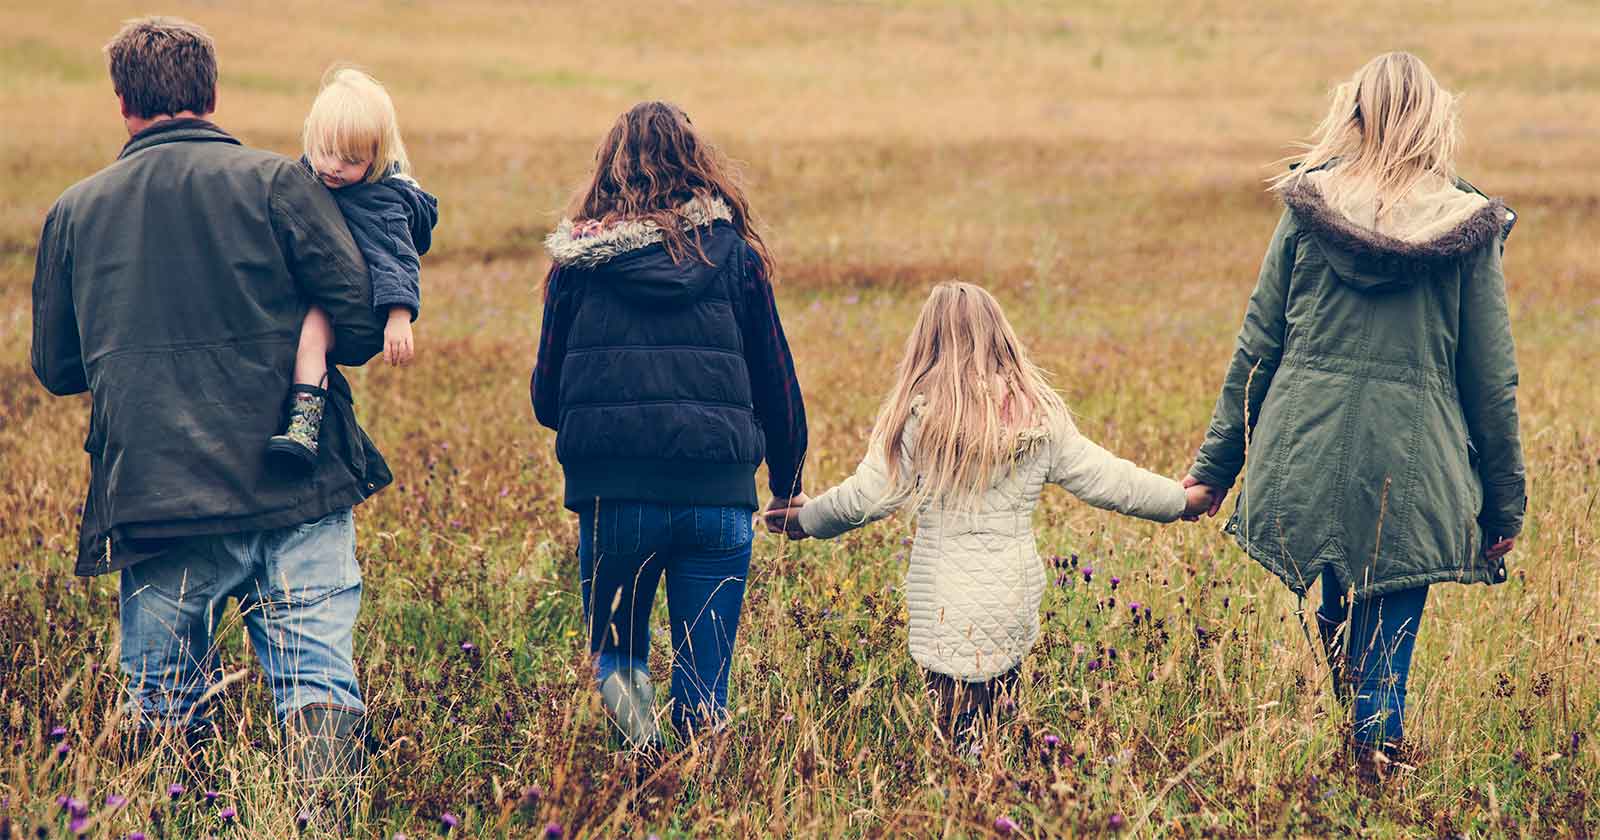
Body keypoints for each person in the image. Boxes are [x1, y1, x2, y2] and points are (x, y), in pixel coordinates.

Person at [30, 16, 391, 781]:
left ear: (122, 100)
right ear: (213, 92)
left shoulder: (73, 211)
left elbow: (58, 368)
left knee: (160, 703)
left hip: (158, 499)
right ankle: (320, 823)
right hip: (296, 485)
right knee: (318, 688)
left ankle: (169, 818)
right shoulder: (279, 183)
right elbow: (357, 322)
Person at [1182, 52, 1524, 777]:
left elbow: (1257, 344)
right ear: (1436, 120)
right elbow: (1491, 381)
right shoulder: (1468, 226)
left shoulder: (1310, 211)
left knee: (1343, 623)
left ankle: (1365, 763)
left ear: (1355, 115)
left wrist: (1215, 470)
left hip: (1306, 454)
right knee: (1383, 649)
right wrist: (1504, 505)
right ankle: (1374, 771)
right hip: (1414, 467)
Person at [766, 282, 1212, 739]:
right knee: (999, 728)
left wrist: (805, 519)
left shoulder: (919, 418)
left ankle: (968, 797)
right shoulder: (1039, 416)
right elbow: (1112, 480)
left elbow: (864, 498)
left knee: (955, 736)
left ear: (927, 343)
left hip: (945, 606)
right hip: (1010, 602)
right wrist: (1180, 501)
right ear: (1003, 338)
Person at [531, 101, 808, 749]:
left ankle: (643, 762)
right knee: (706, 686)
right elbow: (776, 383)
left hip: (616, 501)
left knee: (619, 659)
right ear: (698, 166)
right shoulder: (734, 256)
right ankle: (693, 790)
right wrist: (786, 482)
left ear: (608, 170)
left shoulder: (578, 265)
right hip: (717, 501)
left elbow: (550, 399)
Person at [268, 66, 439, 467]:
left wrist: (399, 315)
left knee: (311, 338)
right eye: (325, 151)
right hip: (312, 287)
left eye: (350, 159)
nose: (333, 166)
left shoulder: (379, 200)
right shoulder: (308, 177)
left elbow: (396, 257)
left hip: (340, 302)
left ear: (377, 156)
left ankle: (304, 429)